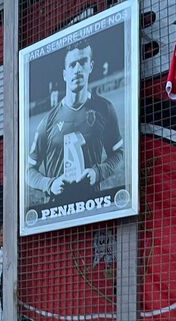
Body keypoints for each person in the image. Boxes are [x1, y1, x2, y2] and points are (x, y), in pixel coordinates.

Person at [26, 44, 124, 204]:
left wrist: (98, 172)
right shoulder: (48, 121)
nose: (77, 69)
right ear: (65, 74)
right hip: (57, 212)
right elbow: (29, 171)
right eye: (72, 64)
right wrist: (50, 184)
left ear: (90, 66)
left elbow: (118, 153)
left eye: (83, 62)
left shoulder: (105, 109)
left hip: (92, 208)